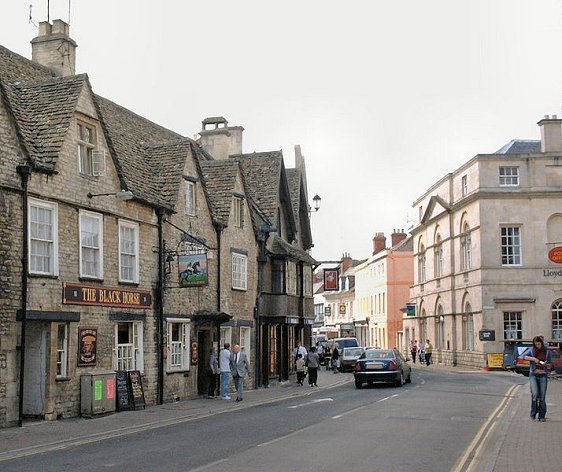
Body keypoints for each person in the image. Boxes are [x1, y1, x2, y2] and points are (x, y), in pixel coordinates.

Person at [524, 335, 553, 421]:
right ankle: (533, 412)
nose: (537, 346)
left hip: (543, 375)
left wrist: (546, 364)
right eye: (536, 344)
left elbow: (550, 365)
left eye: (539, 344)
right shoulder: (531, 350)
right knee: (535, 394)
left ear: (542, 343)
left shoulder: (547, 352)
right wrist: (533, 359)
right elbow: (523, 356)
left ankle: (542, 416)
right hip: (533, 375)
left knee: (542, 397)